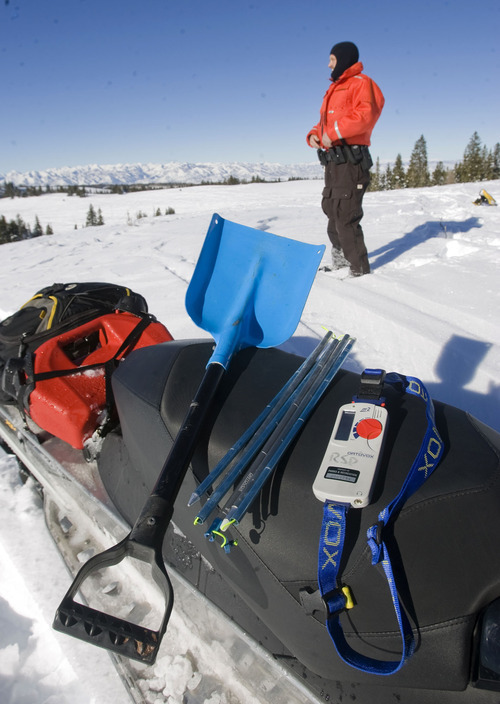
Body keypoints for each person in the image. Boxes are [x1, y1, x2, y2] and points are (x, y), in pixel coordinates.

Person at [307, 42, 384, 276]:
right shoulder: (334, 89)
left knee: (345, 215)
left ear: (343, 59)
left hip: (351, 162)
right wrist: (313, 135)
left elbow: (365, 115)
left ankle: (358, 270)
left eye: (332, 59)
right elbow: (324, 124)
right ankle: (340, 261)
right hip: (333, 162)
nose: (328, 64)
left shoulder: (361, 84)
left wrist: (334, 133)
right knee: (332, 210)